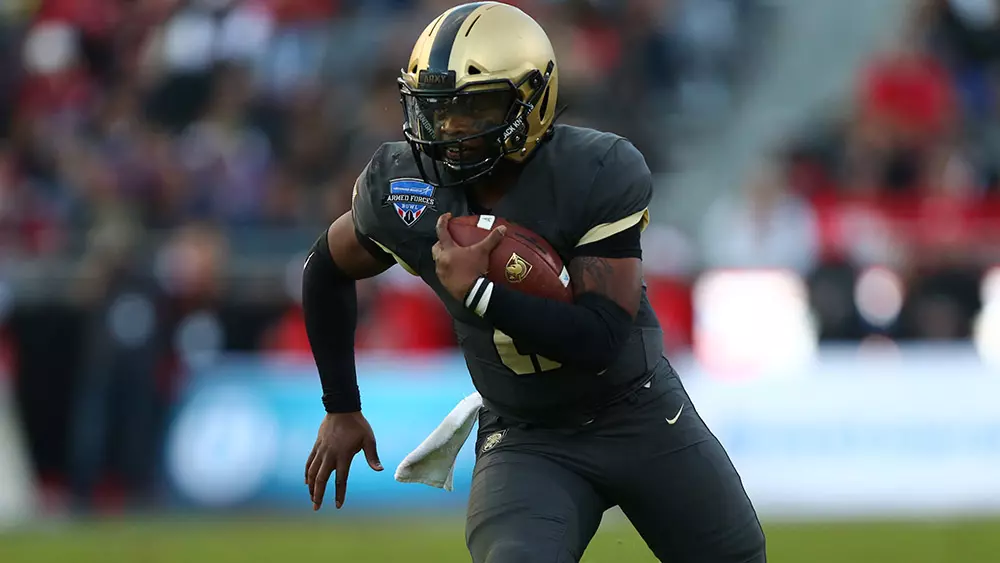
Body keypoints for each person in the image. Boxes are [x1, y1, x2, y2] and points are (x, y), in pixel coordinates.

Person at [301, 3, 766, 562]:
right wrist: (341, 405)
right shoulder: (405, 188)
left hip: (637, 412)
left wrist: (480, 294)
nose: (450, 130)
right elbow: (325, 269)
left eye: (474, 109)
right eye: (437, 110)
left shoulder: (594, 172)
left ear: (533, 100)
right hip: (527, 434)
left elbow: (601, 337)